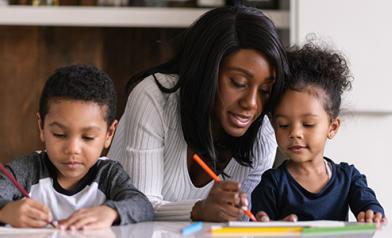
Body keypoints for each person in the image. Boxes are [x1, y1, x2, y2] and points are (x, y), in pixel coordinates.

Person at [107, 5, 289, 222]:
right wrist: (199, 210)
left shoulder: (263, 135)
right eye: (238, 83)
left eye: (265, 90)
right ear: (206, 70)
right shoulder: (154, 97)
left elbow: (240, 220)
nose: (251, 104)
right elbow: (138, 207)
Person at [0, 65, 154, 229]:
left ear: (109, 134)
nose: (73, 149)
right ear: (42, 127)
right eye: (59, 134)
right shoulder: (26, 171)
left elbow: (143, 207)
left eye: (88, 137)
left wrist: (111, 212)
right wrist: (5, 211)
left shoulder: (108, 174)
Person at [251, 42, 386, 223]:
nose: (295, 133)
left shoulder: (349, 178)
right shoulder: (272, 184)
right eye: (283, 125)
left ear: (332, 127)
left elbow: (370, 205)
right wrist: (268, 228)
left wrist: (371, 212)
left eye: (308, 124)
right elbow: (257, 226)